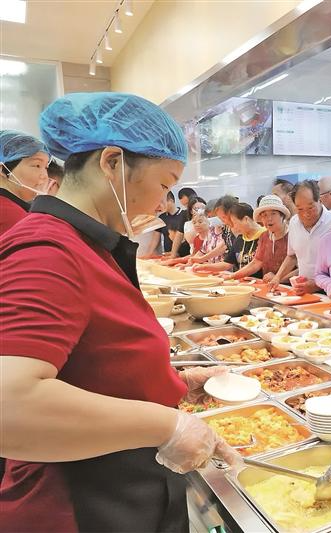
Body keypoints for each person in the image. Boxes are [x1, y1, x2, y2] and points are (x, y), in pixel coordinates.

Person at [0, 92, 238, 532]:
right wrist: (166, 424)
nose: (163, 204)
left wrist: (169, 384)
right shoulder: (47, 250)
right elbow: (8, 406)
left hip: (125, 494)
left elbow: (90, 361)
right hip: (81, 506)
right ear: (112, 162)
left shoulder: (88, 244)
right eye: (164, 185)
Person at [268, 180, 331, 294]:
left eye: (310, 208)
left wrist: (317, 285)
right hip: (303, 289)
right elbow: (292, 256)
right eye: (300, 209)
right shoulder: (294, 222)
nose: (306, 214)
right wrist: (277, 277)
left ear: (320, 200)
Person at [195, 202, 266, 278]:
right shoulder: (240, 238)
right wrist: (204, 267)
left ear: (246, 219)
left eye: (235, 223)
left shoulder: (265, 236)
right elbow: (227, 263)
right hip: (244, 281)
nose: (233, 226)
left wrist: (232, 276)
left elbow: (255, 264)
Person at [0, 130, 50, 235]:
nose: (45, 176)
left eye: (46, 167)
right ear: (2, 169)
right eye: (37, 165)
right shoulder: (12, 216)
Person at [252, 195, 292, 283]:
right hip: (270, 286)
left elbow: (303, 269)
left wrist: (277, 278)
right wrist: (232, 276)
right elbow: (256, 262)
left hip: (291, 288)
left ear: (282, 215)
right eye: (264, 215)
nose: (269, 219)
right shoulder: (264, 236)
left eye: (273, 214)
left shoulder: (293, 234)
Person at [157, 191, 183, 256]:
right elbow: (155, 239)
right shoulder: (161, 217)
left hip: (183, 253)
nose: (160, 206)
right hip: (167, 254)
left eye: (162, 202)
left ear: (171, 201)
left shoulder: (184, 215)